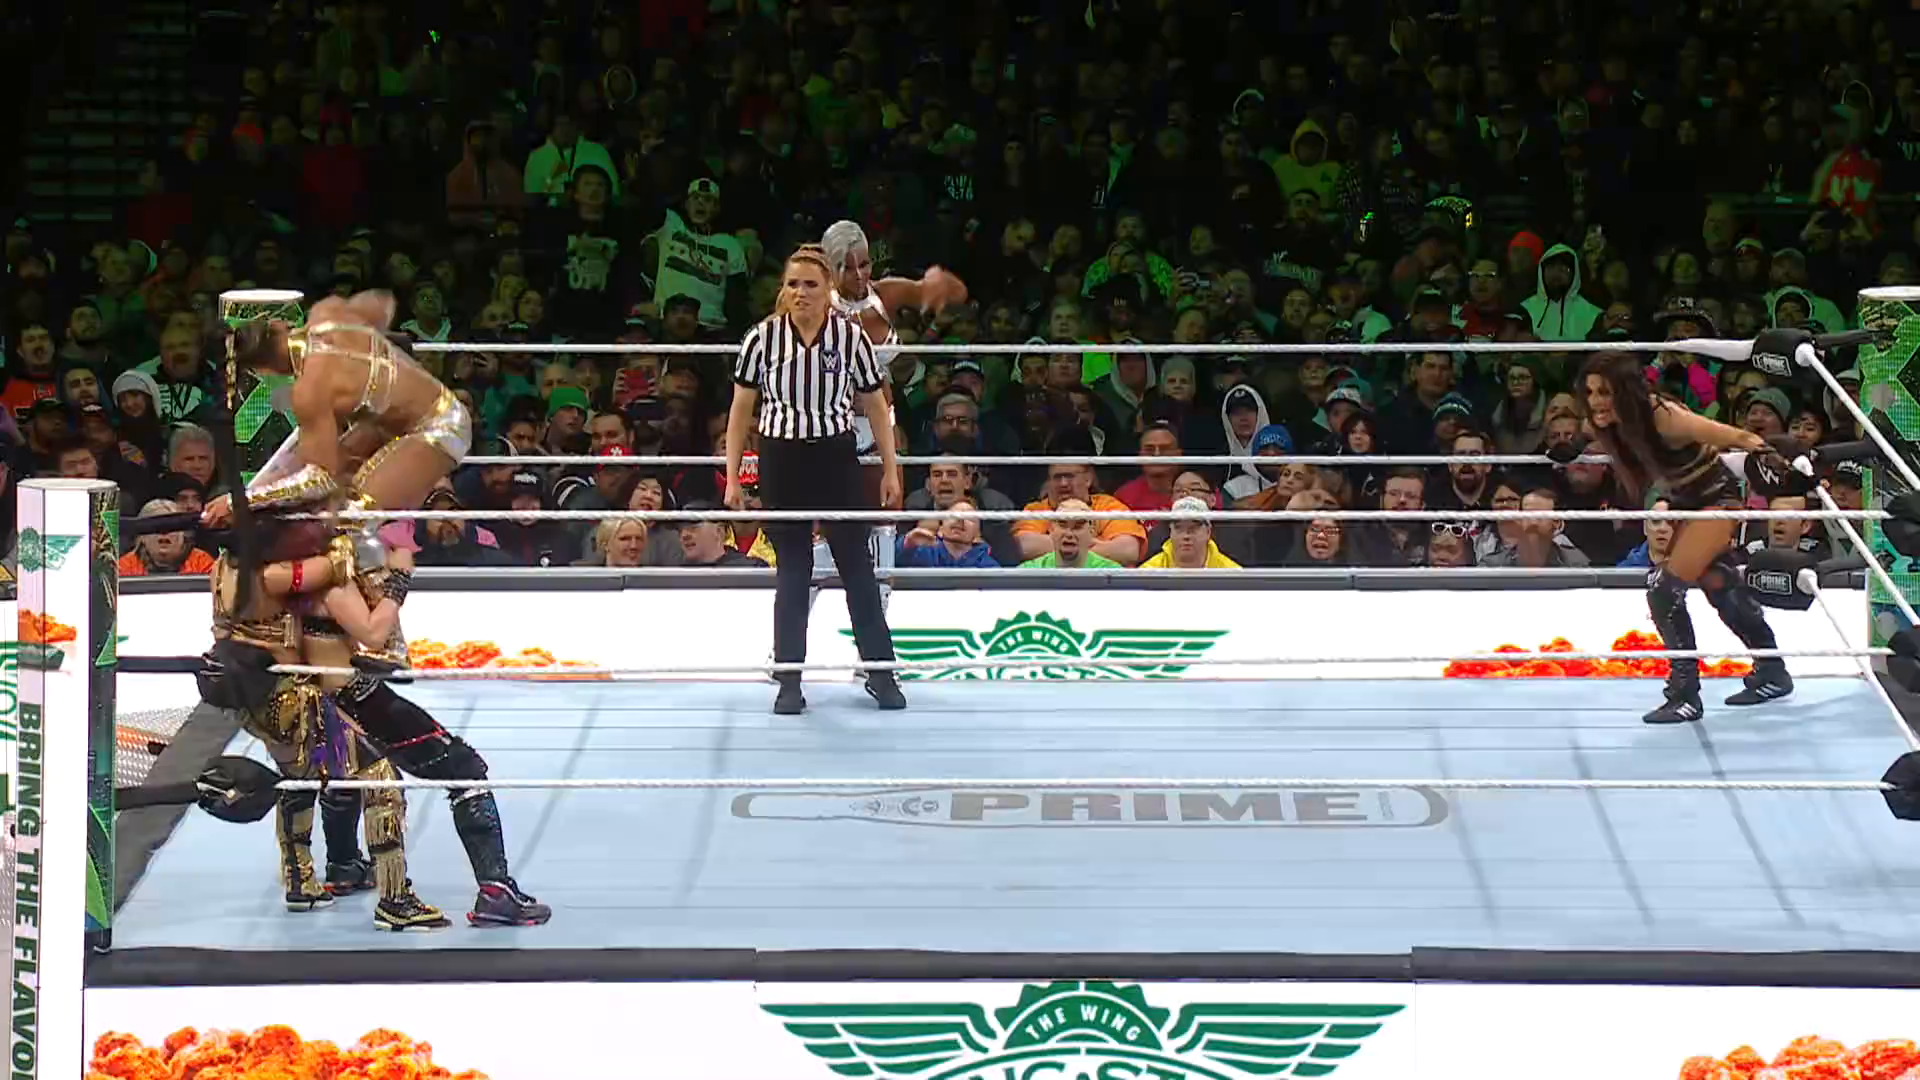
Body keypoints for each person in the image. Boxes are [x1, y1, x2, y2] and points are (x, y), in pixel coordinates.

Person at [202, 518, 448, 930]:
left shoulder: (222, 567)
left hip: (251, 695)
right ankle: (395, 899)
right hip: (287, 696)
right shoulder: (272, 575)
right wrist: (398, 571)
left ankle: (300, 881)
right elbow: (340, 571)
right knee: (380, 776)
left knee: (297, 778)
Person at [300, 547, 552, 927]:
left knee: (348, 767)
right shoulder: (328, 575)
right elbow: (373, 632)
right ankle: (495, 891)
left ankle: (344, 864)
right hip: (353, 695)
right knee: (464, 768)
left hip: (314, 697)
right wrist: (399, 581)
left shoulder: (278, 573)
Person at [724, 244, 904, 716]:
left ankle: (881, 673)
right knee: (793, 569)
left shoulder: (850, 338)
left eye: (810, 284)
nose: (800, 292)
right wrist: (732, 478)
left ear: (829, 291)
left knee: (857, 566)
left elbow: (876, 406)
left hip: (835, 457)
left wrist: (890, 468)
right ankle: (788, 680)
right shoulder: (761, 339)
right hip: (781, 458)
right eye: (792, 284)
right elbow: (740, 412)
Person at [1574, 352, 1794, 724]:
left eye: (1605, 392)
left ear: (1625, 391)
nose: (1596, 400)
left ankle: (1684, 695)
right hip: (1685, 502)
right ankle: (1773, 672)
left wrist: (1779, 464)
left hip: (1717, 499)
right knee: (1719, 583)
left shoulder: (1665, 417)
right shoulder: (1614, 422)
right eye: (1591, 391)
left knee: (1663, 589)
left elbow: (1739, 436)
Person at [203, 288, 472, 528]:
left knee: (347, 519)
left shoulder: (310, 389)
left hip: (440, 426)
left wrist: (244, 500)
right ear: (280, 324)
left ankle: (380, 568)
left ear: (259, 370)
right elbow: (383, 300)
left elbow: (319, 479)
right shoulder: (328, 312)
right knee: (318, 504)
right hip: (393, 420)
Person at [818, 220, 968, 494]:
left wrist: (937, 283)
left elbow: (959, 294)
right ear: (829, 267)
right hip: (830, 425)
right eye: (847, 268)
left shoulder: (885, 293)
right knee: (829, 511)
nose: (859, 275)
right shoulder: (815, 307)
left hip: (883, 423)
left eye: (864, 264)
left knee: (887, 508)